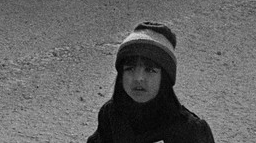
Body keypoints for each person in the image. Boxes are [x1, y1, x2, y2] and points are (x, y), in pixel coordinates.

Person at [86, 22, 215, 143]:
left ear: (164, 78)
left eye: (150, 70)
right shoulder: (110, 115)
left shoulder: (191, 131)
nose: (138, 78)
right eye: (130, 69)